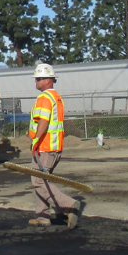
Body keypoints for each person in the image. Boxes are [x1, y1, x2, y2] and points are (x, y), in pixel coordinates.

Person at [27, 63, 82, 229]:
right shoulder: (55, 97)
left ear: (48, 80)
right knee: (41, 180)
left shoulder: (44, 98)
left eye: (38, 78)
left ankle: (68, 206)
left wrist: (36, 140)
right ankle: (43, 216)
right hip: (53, 147)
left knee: (38, 181)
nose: (35, 81)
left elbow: (43, 121)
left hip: (45, 147)